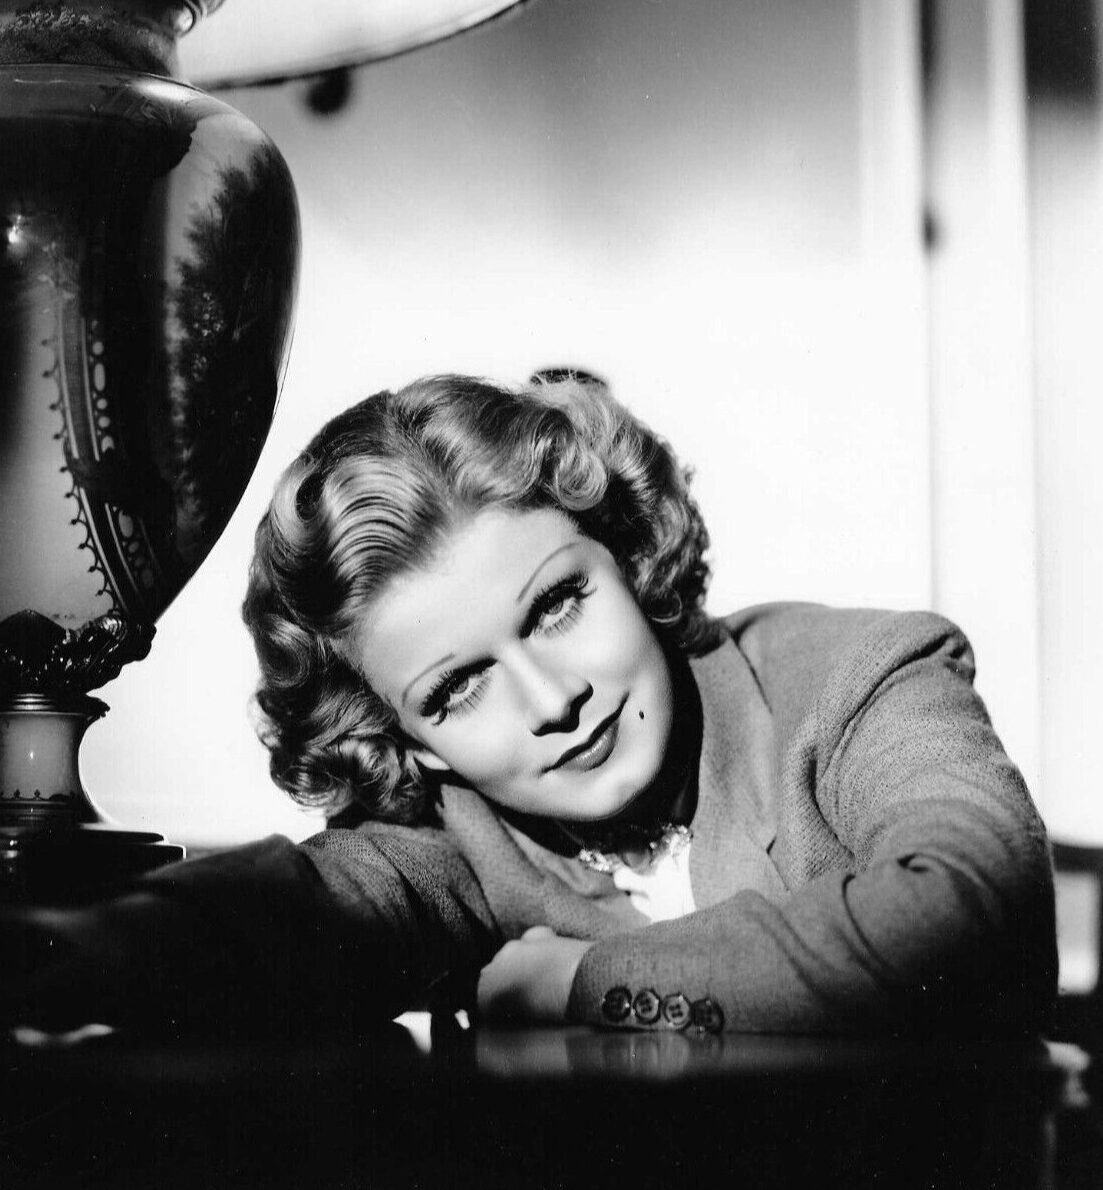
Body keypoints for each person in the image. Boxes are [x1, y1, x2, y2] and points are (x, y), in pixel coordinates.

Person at [4, 373, 1056, 1038]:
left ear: (625, 551)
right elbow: (287, 913)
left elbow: (973, 920)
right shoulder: (457, 842)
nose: (552, 700)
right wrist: (59, 954)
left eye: (557, 604)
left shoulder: (863, 677)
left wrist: (582, 982)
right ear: (406, 739)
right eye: (456, 687)